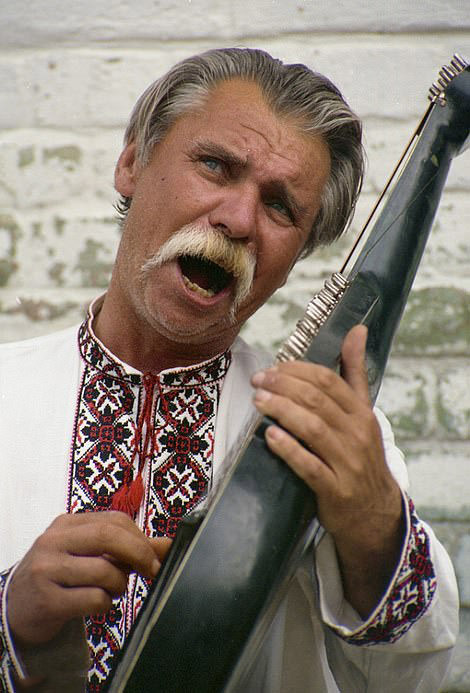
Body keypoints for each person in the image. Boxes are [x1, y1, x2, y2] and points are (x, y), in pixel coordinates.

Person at [0, 48, 458, 692]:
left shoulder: (334, 435)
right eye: (215, 166)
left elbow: (416, 677)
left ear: (300, 251)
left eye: (280, 207)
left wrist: (376, 523)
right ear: (132, 163)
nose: (238, 220)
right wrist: (12, 621)